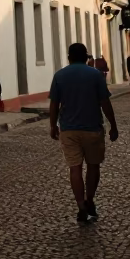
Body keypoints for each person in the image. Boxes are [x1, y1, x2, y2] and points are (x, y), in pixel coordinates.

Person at [49, 42, 119, 224]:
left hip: (69, 129)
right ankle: (90, 200)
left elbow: (54, 104)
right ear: (86, 57)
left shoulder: (59, 76)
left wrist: (52, 125)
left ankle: (81, 206)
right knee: (93, 166)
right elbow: (105, 102)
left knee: (75, 168)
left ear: (69, 57)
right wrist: (113, 124)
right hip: (92, 128)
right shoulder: (95, 75)